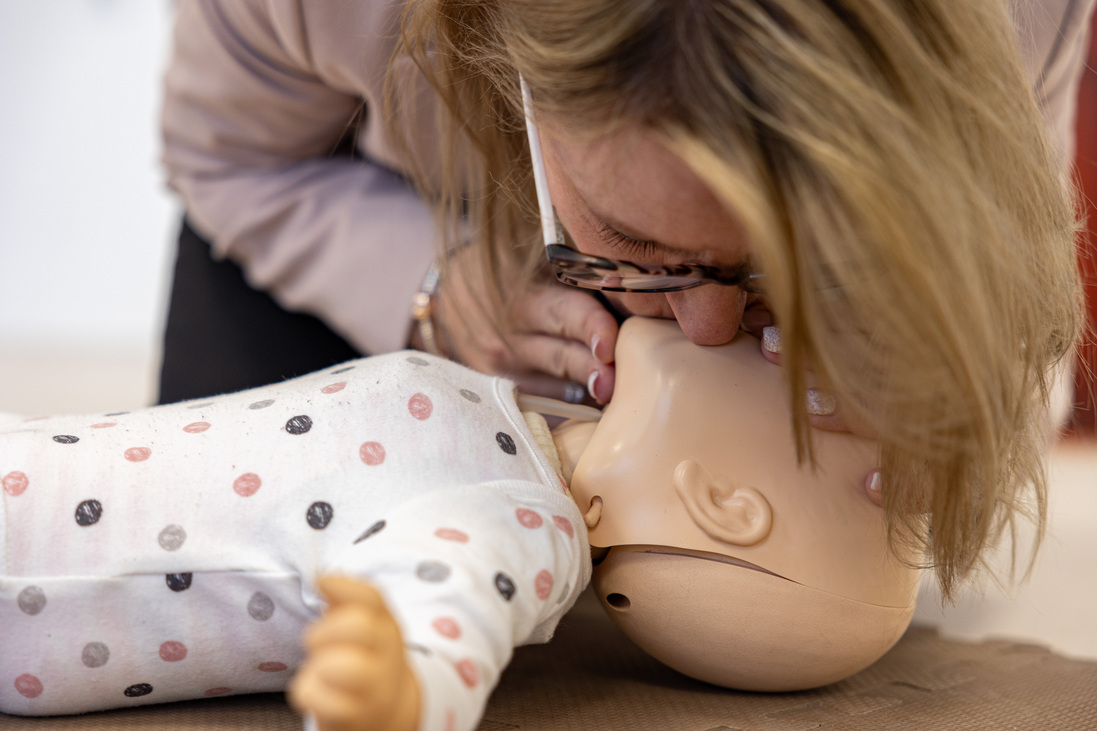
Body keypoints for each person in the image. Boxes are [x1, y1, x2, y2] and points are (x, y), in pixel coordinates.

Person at [159, 0, 1093, 603]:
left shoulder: (1026, 17)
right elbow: (228, 161)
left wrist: (957, 384)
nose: (707, 327)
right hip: (322, 215)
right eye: (640, 246)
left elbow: (1024, 298)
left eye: (781, 258)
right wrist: (430, 280)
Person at [0, 318, 913, 730]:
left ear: (723, 503)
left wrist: (405, 686)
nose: (757, 321)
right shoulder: (520, 433)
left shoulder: (524, 516)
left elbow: (451, 601)